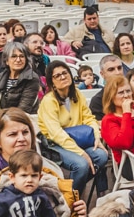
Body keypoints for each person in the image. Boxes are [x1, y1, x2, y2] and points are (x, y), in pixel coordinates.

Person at [36, 61, 107, 194]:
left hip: (78, 140)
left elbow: (88, 118)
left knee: (101, 155)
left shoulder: (77, 94)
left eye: (65, 73)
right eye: (57, 76)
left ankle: (73, 187)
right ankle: (70, 198)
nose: (63, 77)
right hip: (54, 144)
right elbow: (56, 133)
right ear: (52, 82)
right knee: (81, 164)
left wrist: (97, 138)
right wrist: (81, 153)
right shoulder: (49, 101)